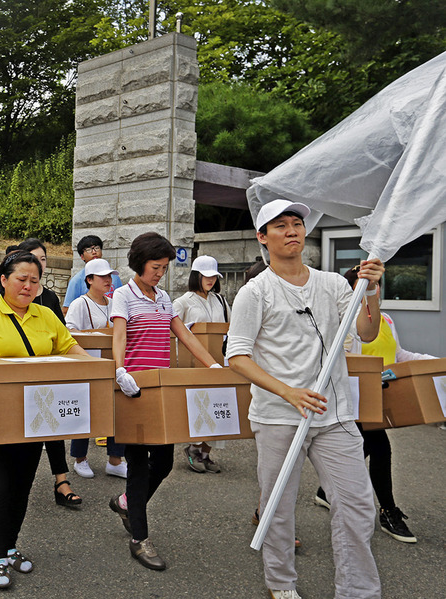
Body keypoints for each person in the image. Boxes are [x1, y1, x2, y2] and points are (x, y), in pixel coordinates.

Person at [226, 199, 384, 599]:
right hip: (279, 416)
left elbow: (365, 332)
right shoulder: (254, 292)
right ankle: (281, 585)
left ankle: (357, 591)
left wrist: (373, 292)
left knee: (358, 506)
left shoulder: (332, 284)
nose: (292, 230)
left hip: (334, 415)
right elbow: (237, 356)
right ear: (263, 238)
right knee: (278, 508)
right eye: (280, 226)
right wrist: (288, 392)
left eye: (297, 223)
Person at [0, 250, 89, 590]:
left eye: (35, 280)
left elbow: (70, 348)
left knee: (23, 486)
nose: (28, 286)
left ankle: (10, 548)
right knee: (2, 485)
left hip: (35, 417)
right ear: (4, 280)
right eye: (21, 279)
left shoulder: (45, 315)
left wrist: (106, 371)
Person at [110, 232, 221, 571]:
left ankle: (128, 503)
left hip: (161, 393)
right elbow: (118, 335)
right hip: (132, 391)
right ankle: (139, 539)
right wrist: (119, 371)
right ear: (139, 263)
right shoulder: (122, 296)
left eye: (164, 268)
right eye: (155, 267)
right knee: (138, 467)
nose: (160, 273)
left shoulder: (162, 298)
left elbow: (184, 334)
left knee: (165, 463)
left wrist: (214, 365)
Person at [308, 268, 436, 544]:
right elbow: (335, 360)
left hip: (380, 395)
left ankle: (323, 490)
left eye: (375, 286)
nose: (372, 290)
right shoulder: (342, 320)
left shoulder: (386, 320)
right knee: (380, 448)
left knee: (363, 446)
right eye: (366, 285)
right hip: (353, 397)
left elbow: (398, 354)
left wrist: (433, 362)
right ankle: (388, 511)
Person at [18, 238, 83, 507]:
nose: (39, 265)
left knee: (53, 426)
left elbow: (63, 336)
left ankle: (62, 481)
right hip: (17, 380)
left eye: (43, 260)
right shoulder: (5, 294)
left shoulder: (50, 298)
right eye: (33, 259)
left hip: (46, 375)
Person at [65, 258, 128, 479]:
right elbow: (70, 333)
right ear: (89, 280)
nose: (108, 281)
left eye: (109, 276)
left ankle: (115, 459)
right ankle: (80, 458)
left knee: (115, 408)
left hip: (111, 364)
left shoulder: (114, 303)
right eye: (102, 277)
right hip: (88, 364)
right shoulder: (79, 304)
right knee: (85, 409)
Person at [172, 255, 231, 474]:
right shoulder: (183, 301)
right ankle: (193, 448)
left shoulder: (221, 300)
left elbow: (230, 327)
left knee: (219, 407)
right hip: (194, 364)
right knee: (201, 406)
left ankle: (206, 453)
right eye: (206, 276)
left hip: (219, 361)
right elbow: (171, 329)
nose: (210, 280)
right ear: (196, 276)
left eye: (214, 277)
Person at [62, 234, 125, 314]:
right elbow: (66, 309)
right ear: (82, 256)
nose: (94, 252)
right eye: (89, 249)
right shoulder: (77, 280)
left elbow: (121, 302)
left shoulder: (114, 276)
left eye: (97, 248)